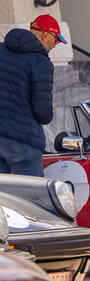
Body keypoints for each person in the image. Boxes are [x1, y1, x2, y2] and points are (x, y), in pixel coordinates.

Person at [0, 14, 65, 177]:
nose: (54, 46)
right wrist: (50, 112)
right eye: (55, 40)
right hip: (22, 139)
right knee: (32, 194)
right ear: (45, 35)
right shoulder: (40, 62)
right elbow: (42, 112)